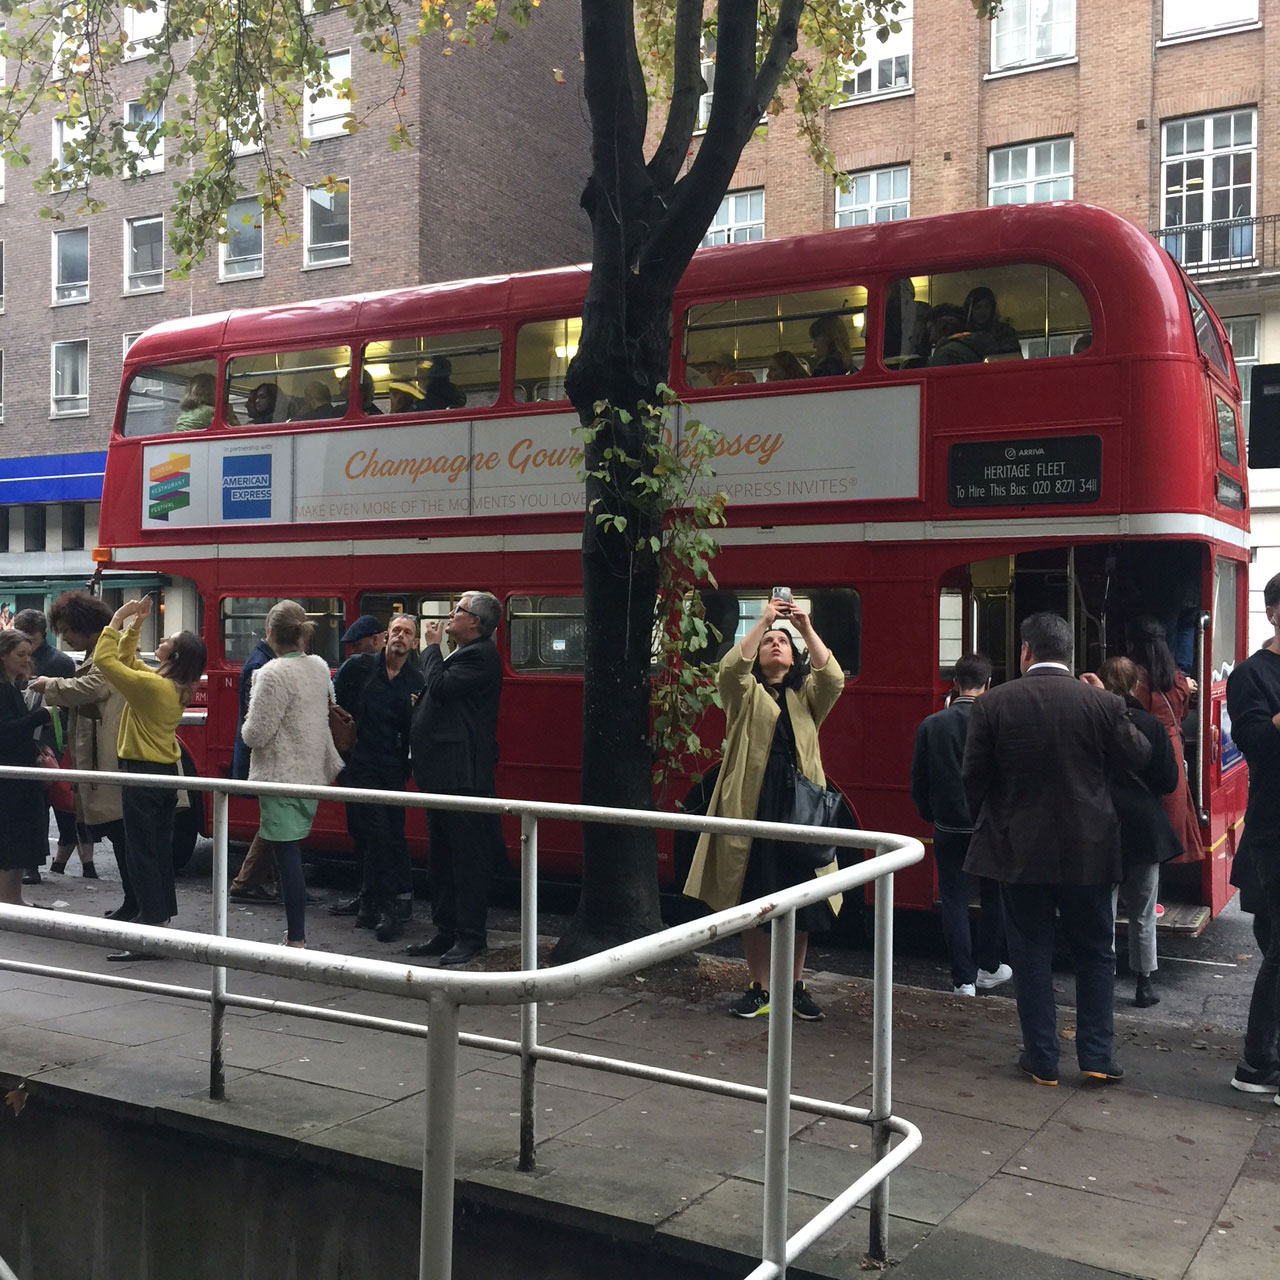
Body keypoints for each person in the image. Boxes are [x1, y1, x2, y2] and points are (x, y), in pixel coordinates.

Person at [962, 612, 1150, 1086]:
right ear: (1069, 654)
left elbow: (973, 781)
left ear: (1026, 651)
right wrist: (1112, 703)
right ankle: (1096, 1056)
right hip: (1091, 849)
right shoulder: (1102, 704)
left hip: (1018, 850)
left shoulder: (993, 704)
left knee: (1030, 954)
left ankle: (1042, 1059)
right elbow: (1140, 757)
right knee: (1095, 953)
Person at [684, 598, 844, 1022]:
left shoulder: (808, 696)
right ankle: (761, 987)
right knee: (754, 898)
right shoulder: (744, 695)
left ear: (794, 657)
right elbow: (730, 670)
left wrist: (805, 628)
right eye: (769, 642)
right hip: (752, 811)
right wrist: (765, 620)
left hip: (801, 814)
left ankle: (794, 987)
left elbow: (833, 679)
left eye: (782, 643)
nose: (775, 645)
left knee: (803, 901)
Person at [93, 598, 207, 960]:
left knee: (142, 850)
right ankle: (158, 917)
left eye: (167, 641)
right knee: (156, 849)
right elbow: (129, 663)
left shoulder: (155, 688)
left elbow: (106, 662)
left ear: (173, 656)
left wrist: (117, 619)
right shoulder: (166, 685)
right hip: (162, 774)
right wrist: (136, 625)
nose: (161, 642)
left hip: (143, 773)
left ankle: (150, 926)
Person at [406, 592, 505, 965]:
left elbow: (444, 688)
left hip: (463, 774)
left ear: (475, 622)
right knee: (442, 858)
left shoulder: (481, 655)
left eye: (458, 610)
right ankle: (445, 930)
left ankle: (470, 936)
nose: (451, 615)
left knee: (466, 859)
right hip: (443, 774)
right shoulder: (464, 653)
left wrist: (430, 648)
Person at [240, 601, 344, 948]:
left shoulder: (271, 673)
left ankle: (297, 938)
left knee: (288, 860)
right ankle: (294, 934)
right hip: (312, 772)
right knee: (292, 853)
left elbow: (256, 734)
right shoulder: (318, 667)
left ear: (270, 633)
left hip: (281, 775)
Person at [910, 653, 1011, 997]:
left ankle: (963, 980)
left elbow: (918, 781)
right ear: (989, 685)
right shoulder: (998, 723)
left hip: (949, 826)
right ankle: (990, 967)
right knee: (993, 896)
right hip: (988, 826)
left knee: (953, 898)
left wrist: (932, 815)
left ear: (954, 683)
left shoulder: (931, 725)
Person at [29, 593, 135, 919]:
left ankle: (138, 905)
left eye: (65, 630)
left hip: (110, 754)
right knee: (120, 836)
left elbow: (94, 688)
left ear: (82, 625)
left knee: (123, 835)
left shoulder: (108, 649)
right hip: (101, 753)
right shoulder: (98, 649)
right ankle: (134, 903)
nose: (63, 638)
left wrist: (50, 685)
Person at [1091, 657, 1181, 1009]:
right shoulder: (1151, 725)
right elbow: (1168, 781)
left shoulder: (1091, 724)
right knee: (1143, 910)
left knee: (1103, 907)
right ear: (1134, 687)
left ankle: (1103, 979)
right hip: (1144, 828)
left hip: (1101, 824)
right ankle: (1144, 983)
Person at [331, 613, 423, 942]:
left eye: (407, 633)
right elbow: (334, 709)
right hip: (359, 764)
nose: (400, 636)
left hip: (392, 768)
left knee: (387, 835)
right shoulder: (359, 668)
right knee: (367, 833)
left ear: (414, 643)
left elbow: (417, 728)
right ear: (385, 636)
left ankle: (383, 906)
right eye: (395, 630)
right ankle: (375, 902)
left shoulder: (416, 679)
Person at [1225, 572, 1280, 1094]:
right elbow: (1258, 745)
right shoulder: (1251, 676)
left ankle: (1263, 1059)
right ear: (1274, 614)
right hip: (1273, 831)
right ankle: (1257, 1062)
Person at [13, 608, 85, 880]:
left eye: (31, 640)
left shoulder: (60, 663)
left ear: (43, 635)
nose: (27, 647)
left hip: (47, 738)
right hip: (27, 736)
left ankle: (34, 864)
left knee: (42, 802)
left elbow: (67, 706)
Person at [1126, 616, 1201, 863]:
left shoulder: (1135, 679)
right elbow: (1183, 713)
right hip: (1172, 747)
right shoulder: (1178, 678)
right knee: (1171, 812)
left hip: (1143, 747)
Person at [0, 629, 53, 906]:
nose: (25, 660)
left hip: (18, 776)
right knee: (11, 837)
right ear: (3, 655)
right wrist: (39, 716)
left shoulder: (12, 686)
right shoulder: (2, 689)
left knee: (17, 837)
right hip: (10, 779)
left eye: (28, 654)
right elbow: (5, 730)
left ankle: (13, 898)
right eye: (19, 655)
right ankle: (9, 900)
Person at [227, 629, 279, 905]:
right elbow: (255, 719)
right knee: (274, 819)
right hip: (260, 756)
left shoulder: (264, 659)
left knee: (276, 818)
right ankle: (245, 882)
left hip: (262, 756)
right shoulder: (260, 664)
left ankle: (262, 882)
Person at [962, 286, 1021, 354]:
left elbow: (1013, 356)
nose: (982, 312)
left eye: (986, 306)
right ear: (970, 311)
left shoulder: (1004, 332)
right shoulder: (962, 334)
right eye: (978, 307)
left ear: (992, 309)